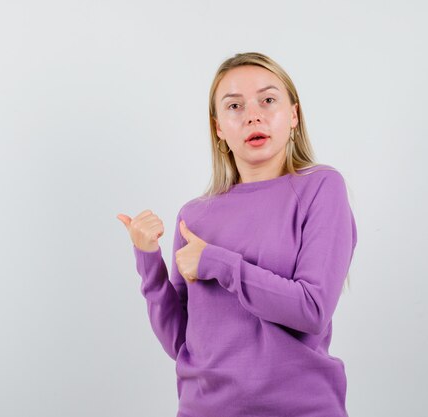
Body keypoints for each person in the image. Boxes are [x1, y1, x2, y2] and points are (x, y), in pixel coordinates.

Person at [116, 52, 357, 417]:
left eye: (268, 100)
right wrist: (148, 258)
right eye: (234, 106)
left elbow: (312, 309)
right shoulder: (194, 216)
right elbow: (182, 342)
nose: (253, 115)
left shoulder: (322, 187)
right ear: (218, 128)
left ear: (293, 114)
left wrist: (216, 262)